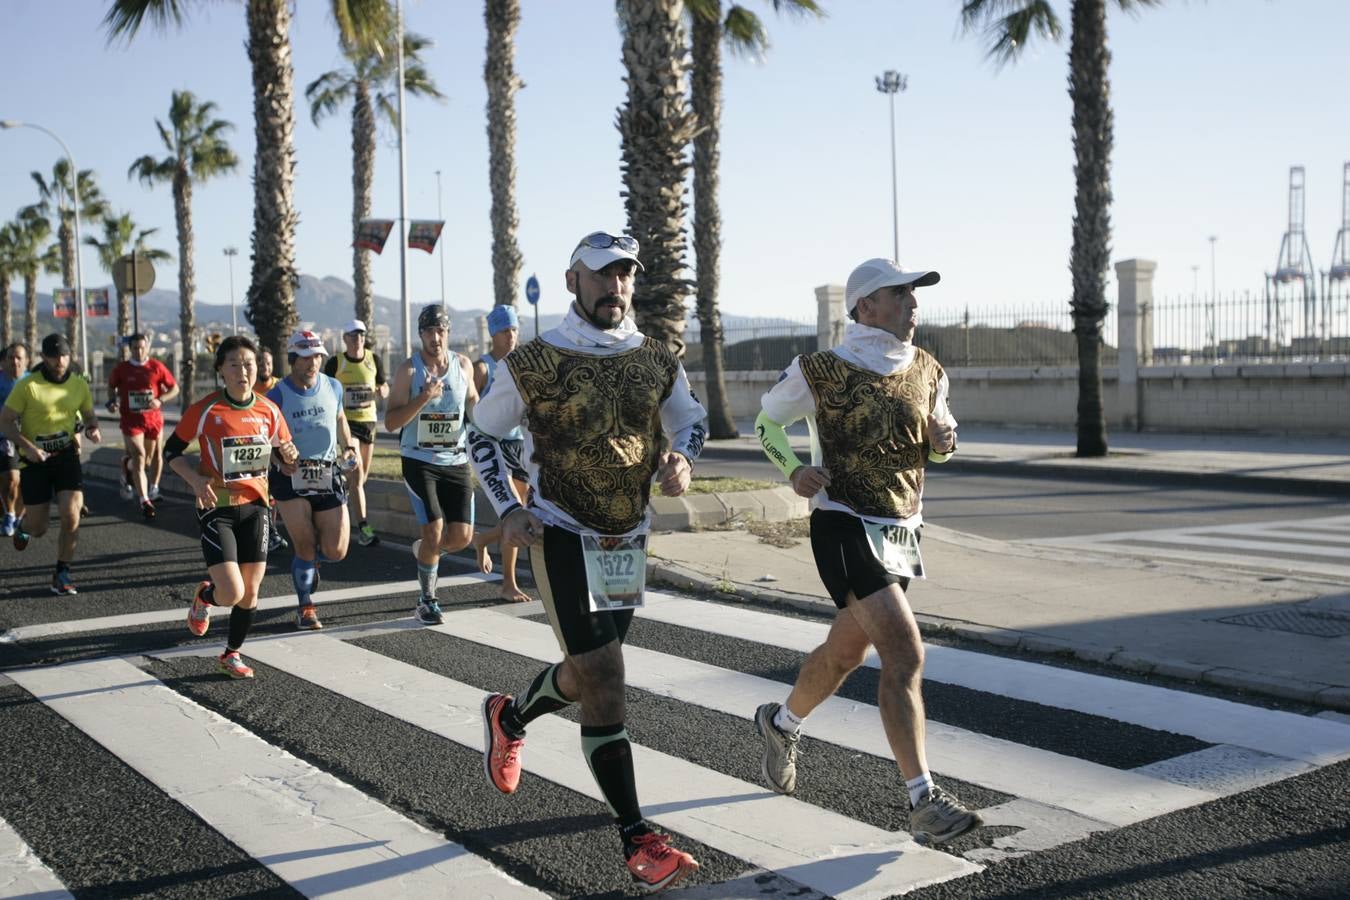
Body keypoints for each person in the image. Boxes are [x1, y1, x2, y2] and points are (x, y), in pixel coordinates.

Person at [469, 231, 707, 892]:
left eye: (625, 274)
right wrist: (507, 508)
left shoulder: (657, 357)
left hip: (624, 538)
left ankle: (509, 716)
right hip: (560, 532)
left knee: (587, 672)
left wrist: (684, 458)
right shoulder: (536, 360)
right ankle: (637, 838)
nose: (616, 286)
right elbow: (481, 434)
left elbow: (691, 420)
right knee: (605, 675)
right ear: (573, 281)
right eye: (602, 275)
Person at [751, 257, 980, 846]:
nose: (913, 303)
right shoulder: (821, 368)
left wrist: (944, 442)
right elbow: (766, 426)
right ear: (865, 307)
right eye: (900, 293)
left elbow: (943, 443)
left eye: (914, 293)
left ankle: (781, 723)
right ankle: (923, 798)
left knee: (844, 653)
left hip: (900, 532)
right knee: (904, 653)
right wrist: (795, 469)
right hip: (843, 523)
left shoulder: (929, 368)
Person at [167, 335, 298, 678]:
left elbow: (285, 453)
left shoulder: (269, 410)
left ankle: (231, 654)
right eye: (235, 365)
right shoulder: (206, 409)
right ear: (221, 371)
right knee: (231, 590)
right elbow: (171, 454)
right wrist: (196, 481)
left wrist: (290, 458)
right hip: (217, 506)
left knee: (250, 591)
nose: (243, 371)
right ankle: (205, 597)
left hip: (256, 506)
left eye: (249, 364)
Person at [384, 303, 479, 625]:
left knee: (463, 538)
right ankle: (427, 599)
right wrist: (422, 398)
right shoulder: (408, 372)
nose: (435, 338)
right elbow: (392, 422)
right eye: (429, 332)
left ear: (448, 332)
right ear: (421, 335)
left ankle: (426, 550)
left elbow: (473, 404)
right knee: (436, 530)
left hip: (456, 459)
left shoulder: (463, 365)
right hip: (419, 459)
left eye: (440, 331)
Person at [268, 330, 359, 630]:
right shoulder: (277, 395)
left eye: (318, 356)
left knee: (337, 550)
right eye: (306, 358)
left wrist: (349, 444)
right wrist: (279, 459)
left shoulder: (333, 386)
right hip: (290, 477)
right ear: (293, 359)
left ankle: (311, 565)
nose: (313, 363)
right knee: (304, 544)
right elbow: (264, 438)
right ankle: (305, 605)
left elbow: (341, 418)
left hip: (327, 472)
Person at [0, 334, 100, 594]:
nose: (60, 361)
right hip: (35, 462)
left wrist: (92, 428)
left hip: (66, 456)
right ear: (44, 357)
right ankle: (23, 526)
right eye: (54, 356)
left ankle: (62, 572)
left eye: (64, 355)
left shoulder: (78, 385)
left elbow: (89, 414)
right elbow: (5, 421)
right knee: (39, 527)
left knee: (71, 513)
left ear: (70, 356)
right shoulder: (28, 386)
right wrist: (30, 448)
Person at [470, 304, 531, 603]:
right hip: (493, 446)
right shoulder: (482, 368)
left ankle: (484, 539)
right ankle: (509, 583)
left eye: (515, 330)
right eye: (505, 331)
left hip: (520, 446)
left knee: (524, 515)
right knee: (515, 509)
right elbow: (469, 410)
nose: (511, 336)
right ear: (493, 334)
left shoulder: (522, 364)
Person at [323, 319, 387, 547]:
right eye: (353, 335)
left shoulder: (373, 359)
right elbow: (325, 389)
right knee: (358, 476)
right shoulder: (336, 363)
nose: (357, 339)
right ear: (345, 339)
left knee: (361, 478)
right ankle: (364, 529)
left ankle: (340, 492)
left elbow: (383, 384)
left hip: (369, 423)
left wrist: (382, 390)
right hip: (347, 425)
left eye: (361, 335)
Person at [106, 332, 179, 518]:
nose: (139, 351)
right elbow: (111, 387)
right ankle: (144, 500)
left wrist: (160, 400)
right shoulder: (122, 369)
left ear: (147, 347)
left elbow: (174, 388)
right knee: (139, 456)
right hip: (131, 420)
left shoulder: (156, 367)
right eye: (135, 348)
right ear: (130, 349)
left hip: (153, 419)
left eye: (142, 347)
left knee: (151, 458)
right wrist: (112, 401)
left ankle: (149, 484)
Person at [253, 348, 287, 551]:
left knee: (273, 492)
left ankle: (271, 531)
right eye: (260, 362)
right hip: (258, 445)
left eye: (267, 362)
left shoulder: (280, 386)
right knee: (264, 491)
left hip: (279, 445)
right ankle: (270, 532)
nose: (264, 366)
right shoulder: (250, 388)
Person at [0, 342, 31, 537]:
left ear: (27, 361)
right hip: (6, 438)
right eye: (11, 357)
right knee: (12, 479)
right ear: (4, 361)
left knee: (27, 484)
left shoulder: (34, 382)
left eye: (19, 357)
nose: (15, 361)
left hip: (31, 439)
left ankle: (19, 517)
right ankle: (9, 514)